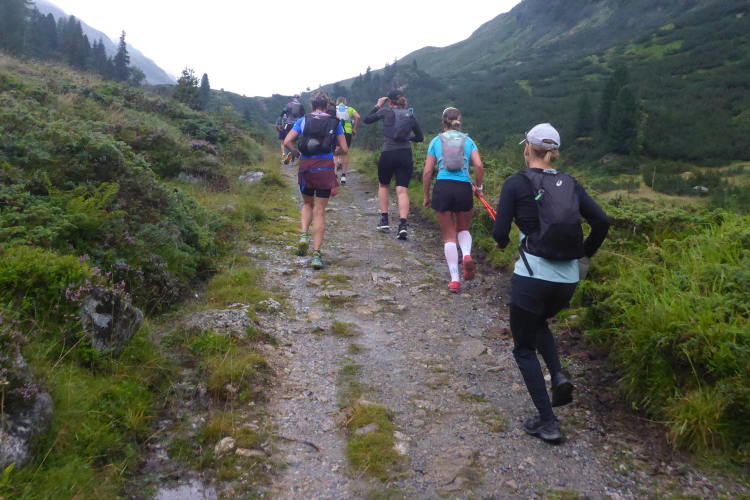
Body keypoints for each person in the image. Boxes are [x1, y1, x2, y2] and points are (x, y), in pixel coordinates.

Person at [492, 123, 609, 442]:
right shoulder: (570, 184)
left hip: (532, 277)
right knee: (539, 321)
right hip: (568, 279)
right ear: (553, 153)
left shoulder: (515, 183)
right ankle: (557, 375)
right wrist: (584, 256)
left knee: (523, 348)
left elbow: (500, 233)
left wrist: (501, 242)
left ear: (527, 149)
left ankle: (548, 421)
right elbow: (602, 221)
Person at [283, 90, 347, 270]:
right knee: (320, 211)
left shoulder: (303, 120)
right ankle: (317, 255)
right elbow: (344, 148)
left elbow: (287, 141)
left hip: (306, 167)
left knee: (307, 204)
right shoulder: (334, 122)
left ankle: (304, 235)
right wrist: (333, 153)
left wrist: (296, 154)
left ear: (311, 106)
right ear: (327, 105)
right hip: (325, 167)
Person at [423, 107, 484, 293]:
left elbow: (427, 172)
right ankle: (466, 254)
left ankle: (455, 280)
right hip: (463, 188)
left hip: (443, 188)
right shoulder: (468, 141)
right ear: (459, 122)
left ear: (444, 123)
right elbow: (478, 165)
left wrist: (426, 196)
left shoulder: (436, 140)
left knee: (449, 237)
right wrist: (478, 188)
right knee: (463, 229)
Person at [364, 89, 424, 239]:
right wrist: (406, 138)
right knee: (402, 191)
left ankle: (385, 220)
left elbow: (367, 119)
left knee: (384, 185)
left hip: (388, 153)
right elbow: (420, 137)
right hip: (405, 154)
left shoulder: (385, 111)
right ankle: (403, 225)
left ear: (389, 101)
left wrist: (378, 105)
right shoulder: (410, 115)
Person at [335, 97, 360, 185]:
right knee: (344, 153)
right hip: (347, 132)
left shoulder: (334, 109)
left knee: (335, 153)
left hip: (336, 132)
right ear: (345, 103)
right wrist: (354, 129)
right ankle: (343, 176)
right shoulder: (349, 109)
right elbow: (358, 117)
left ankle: (334, 175)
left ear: (337, 102)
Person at [280, 94, 306, 165]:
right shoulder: (301, 105)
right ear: (299, 98)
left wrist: (280, 124)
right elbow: (304, 116)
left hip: (289, 124)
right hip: (297, 125)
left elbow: (282, 114)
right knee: (294, 143)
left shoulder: (288, 105)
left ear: (293, 98)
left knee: (288, 141)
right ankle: (292, 160)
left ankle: (289, 153)